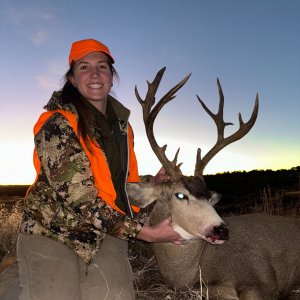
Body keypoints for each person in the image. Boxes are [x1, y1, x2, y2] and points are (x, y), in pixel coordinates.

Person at [15, 38, 181, 300]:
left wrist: (154, 183)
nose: (94, 73)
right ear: (71, 78)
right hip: (52, 232)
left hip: (104, 232)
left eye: (102, 66)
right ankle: (12, 280)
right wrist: (148, 234)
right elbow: (80, 198)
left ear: (111, 77)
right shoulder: (57, 124)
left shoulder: (123, 128)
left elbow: (118, 184)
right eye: (84, 67)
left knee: (115, 296)